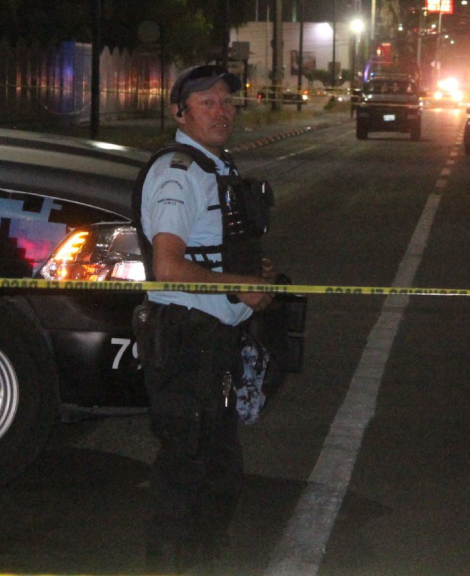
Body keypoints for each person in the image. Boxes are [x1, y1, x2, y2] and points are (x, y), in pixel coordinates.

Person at [131, 64, 277, 573]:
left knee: (218, 470)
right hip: (188, 338)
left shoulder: (216, 166)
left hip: (216, 337)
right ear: (179, 112)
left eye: (227, 101)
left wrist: (250, 274)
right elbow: (168, 265)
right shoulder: (178, 172)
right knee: (187, 467)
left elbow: (214, 249)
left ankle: (200, 563)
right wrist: (237, 285)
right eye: (207, 102)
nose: (222, 110)